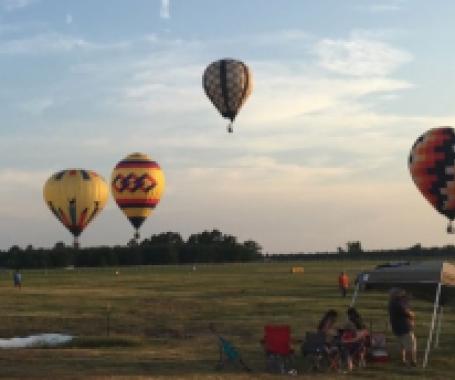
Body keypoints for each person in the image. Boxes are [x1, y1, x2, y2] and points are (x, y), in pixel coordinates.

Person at [388, 288, 417, 366]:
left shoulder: (392, 303)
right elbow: (408, 313)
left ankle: (403, 361)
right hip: (404, 328)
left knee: (402, 346)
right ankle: (411, 361)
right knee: (410, 345)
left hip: (397, 328)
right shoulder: (398, 304)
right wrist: (412, 314)